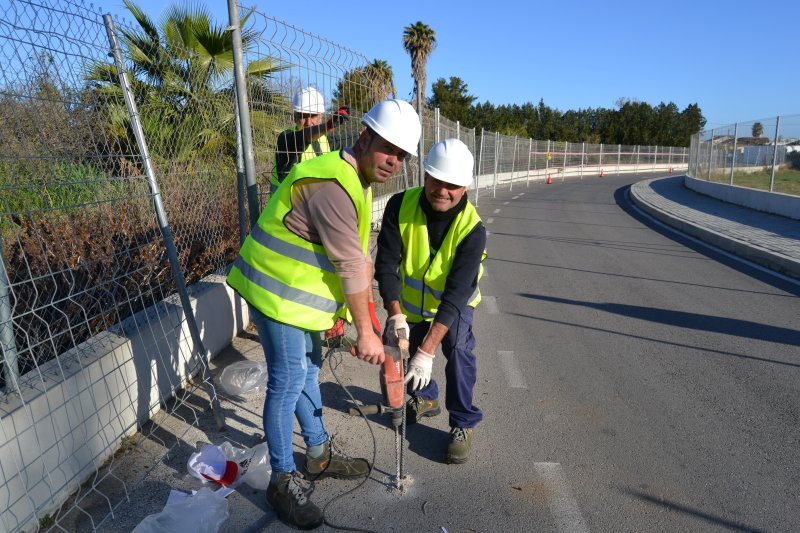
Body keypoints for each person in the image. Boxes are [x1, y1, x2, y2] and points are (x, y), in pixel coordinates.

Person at [227, 99, 421, 530]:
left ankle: (317, 454)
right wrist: (367, 334)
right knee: (290, 378)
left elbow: (346, 260)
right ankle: (282, 479)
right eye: (388, 148)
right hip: (275, 290)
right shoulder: (333, 184)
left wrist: (348, 318)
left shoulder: (354, 177)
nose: (394, 161)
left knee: (309, 370)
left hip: (298, 295)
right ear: (364, 137)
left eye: (402, 155)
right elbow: (351, 265)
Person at [374, 138, 486, 465]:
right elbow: (386, 265)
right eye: (437, 180)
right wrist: (395, 318)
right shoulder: (399, 205)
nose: (443, 190)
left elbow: (455, 296)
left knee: (457, 348)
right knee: (395, 352)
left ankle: (463, 422)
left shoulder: (472, 230)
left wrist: (426, 352)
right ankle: (424, 397)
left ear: (464, 187)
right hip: (408, 304)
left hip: (453, 305)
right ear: (425, 176)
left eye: (452, 185)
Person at [269, 86, 350, 194]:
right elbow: (303, 136)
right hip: (285, 209)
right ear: (295, 116)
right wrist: (328, 125)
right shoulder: (286, 138)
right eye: (303, 116)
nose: (308, 122)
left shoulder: (324, 140)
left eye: (313, 116)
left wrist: (366, 134)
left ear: (321, 117)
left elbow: (348, 139)